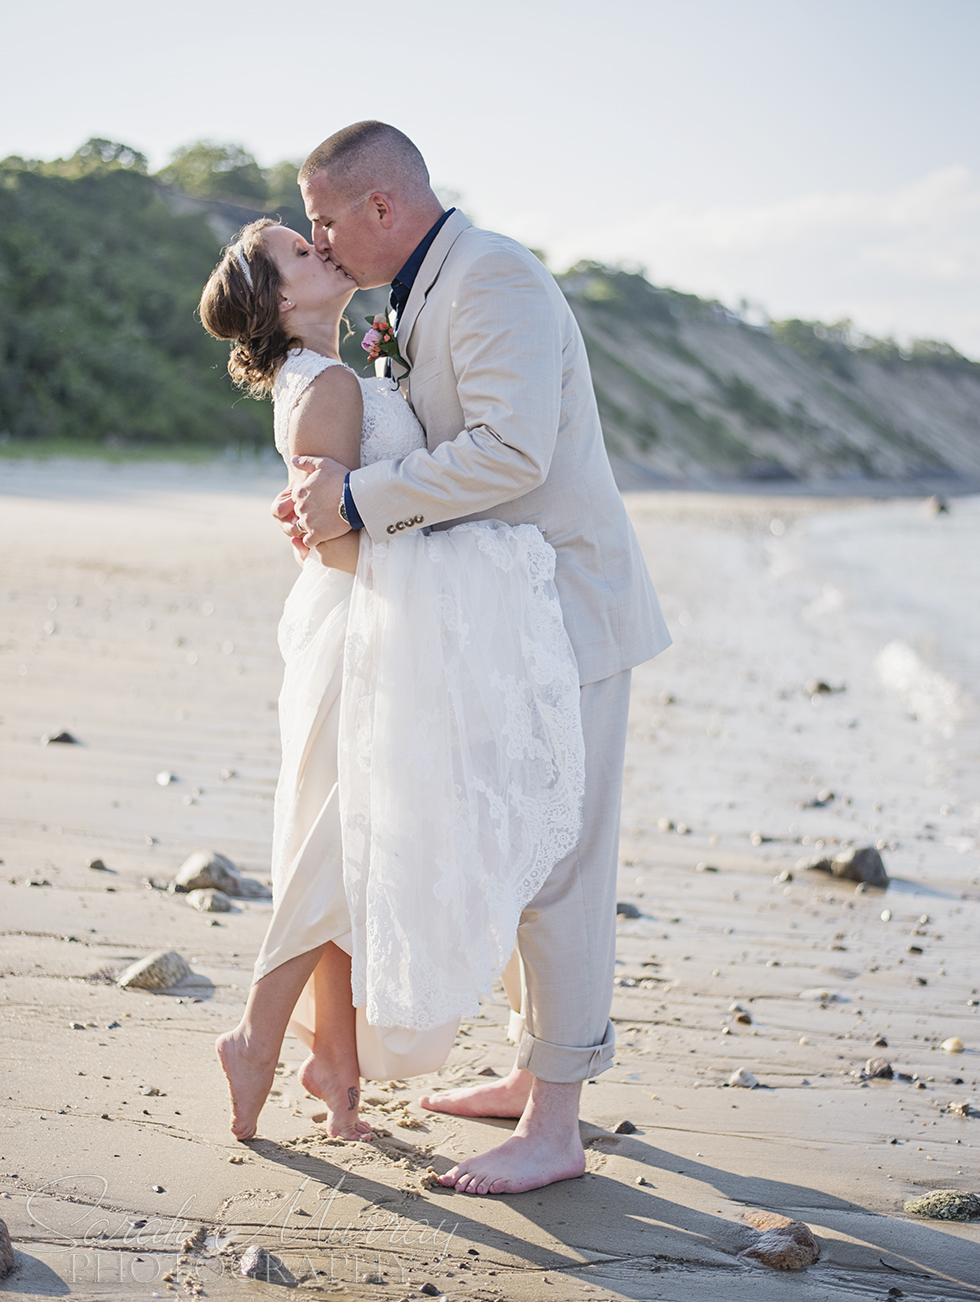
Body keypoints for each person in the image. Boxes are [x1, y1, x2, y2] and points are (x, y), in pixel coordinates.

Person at [285, 121, 671, 1195]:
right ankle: (525, 1067)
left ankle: (556, 1122)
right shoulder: (411, 297)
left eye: (324, 216)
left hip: (569, 617)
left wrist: (357, 500)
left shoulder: (492, 277)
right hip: (501, 626)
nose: (318, 239)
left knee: (561, 870)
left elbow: (511, 450)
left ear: (379, 208)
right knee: (513, 847)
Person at [199, 220, 586, 1146]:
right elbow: (337, 548)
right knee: (336, 848)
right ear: (283, 302)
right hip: (360, 640)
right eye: (298, 253)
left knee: (346, 848)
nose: (320, 252)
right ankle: (255, 1038)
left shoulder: (329, 377)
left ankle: (334, 1067)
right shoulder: (329, 382)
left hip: (359, 634)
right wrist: (485, 553)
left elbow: (335, 517)